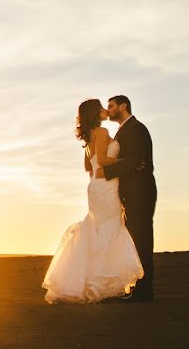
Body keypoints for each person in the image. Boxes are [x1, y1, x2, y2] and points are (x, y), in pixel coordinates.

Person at [42, 99, 143, 303]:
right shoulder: (103, 133)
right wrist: (128, 162)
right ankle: (99, 283)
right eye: (102, 108)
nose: (106, 110)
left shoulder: (89, 137)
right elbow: (104, 162)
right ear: (96, 113)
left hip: (96, 187)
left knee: (99, 229)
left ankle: (92, 281)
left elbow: (89, 166)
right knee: (111, 228)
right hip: (106, 186)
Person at [95, 95, 157, 302]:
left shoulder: (137, 129)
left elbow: (135, 160)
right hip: (129, 191)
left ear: (123, 106)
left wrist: (108, 172)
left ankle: (144, 290)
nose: (108, 109)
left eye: (111, 106)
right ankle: (139, 286)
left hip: (140, 190)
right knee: (134, 239)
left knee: (142, 238)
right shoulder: (122, 131)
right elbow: (130, 161)